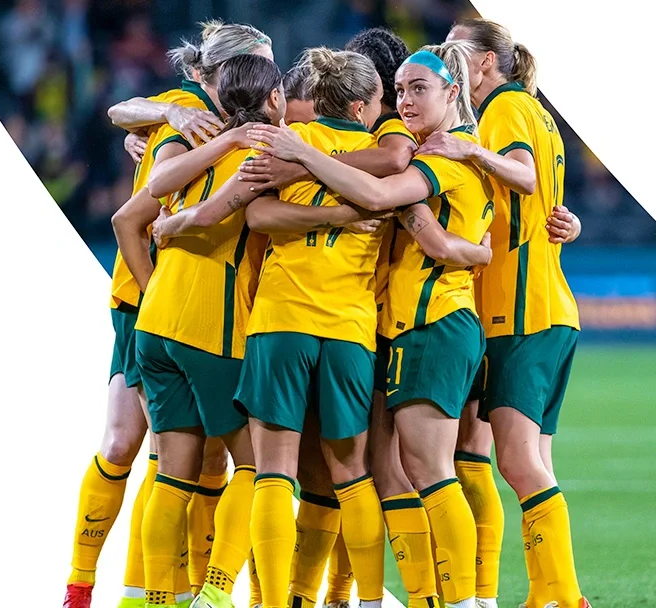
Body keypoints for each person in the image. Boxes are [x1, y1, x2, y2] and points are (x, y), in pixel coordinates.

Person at [246, 41, 496, 608]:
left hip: (315, 319)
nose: (402, 103)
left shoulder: (306, 142)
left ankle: (280, 599)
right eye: (396, 92)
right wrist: (476, 252)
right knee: (364, 472)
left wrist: (301, 157)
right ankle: (374, 598)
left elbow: (257, 212)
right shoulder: (396, 148)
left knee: (278, 472)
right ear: (364, 104)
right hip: (359, 329)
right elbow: (396, 185)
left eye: (415, 90)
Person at [65, 20, 273, 608]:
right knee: (152, 450)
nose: (266, 76)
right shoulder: (191, 115)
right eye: (259, 64)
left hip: (158, 303)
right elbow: (129, 140)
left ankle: (153, 593)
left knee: (173, 456)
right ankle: (161, 589)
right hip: (162, 299)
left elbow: (124, 118)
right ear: (222, 72)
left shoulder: (216, 123)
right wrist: (169, 116)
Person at [426, 18, 589, 608]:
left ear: (487, 61)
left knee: (518, 462)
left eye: (455, 50)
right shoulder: (536, 111)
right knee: (534, 460)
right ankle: (545, 593)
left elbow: (522, 175)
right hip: (547, 305)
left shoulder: (502, 108)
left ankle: (565, 597)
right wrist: (568, 223)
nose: (445, 58)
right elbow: (544, 199)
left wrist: (468, 148)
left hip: (519, 310)